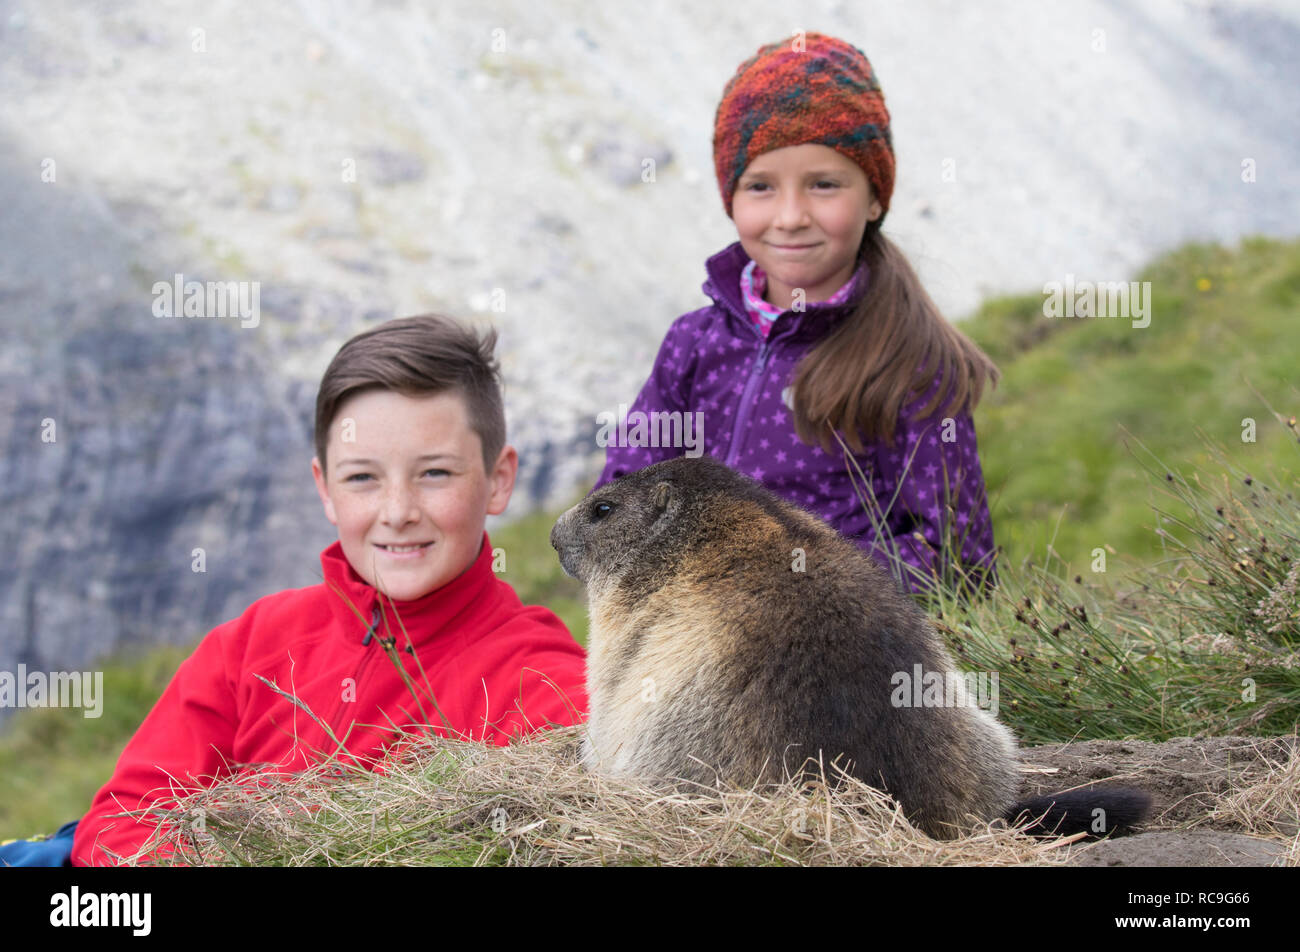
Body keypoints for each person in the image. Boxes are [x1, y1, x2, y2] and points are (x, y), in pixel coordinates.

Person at [57, 314, 588, 866]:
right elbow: (120, 823)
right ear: (325, 489)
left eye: (435, 473)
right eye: (362, 478)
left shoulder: (545, 684)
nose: (398, 512)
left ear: (498, 480)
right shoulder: (252, 644)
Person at [595, 32, 1001, 598]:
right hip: (689, 651)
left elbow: (963, 565)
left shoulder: (911, 364)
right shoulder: (692, 344)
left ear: (876, 197)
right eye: (760, 186)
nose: (790, 216)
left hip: (836, 668)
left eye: (824, 185)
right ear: (729, 199)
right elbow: (618, 495)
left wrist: (788, 575)